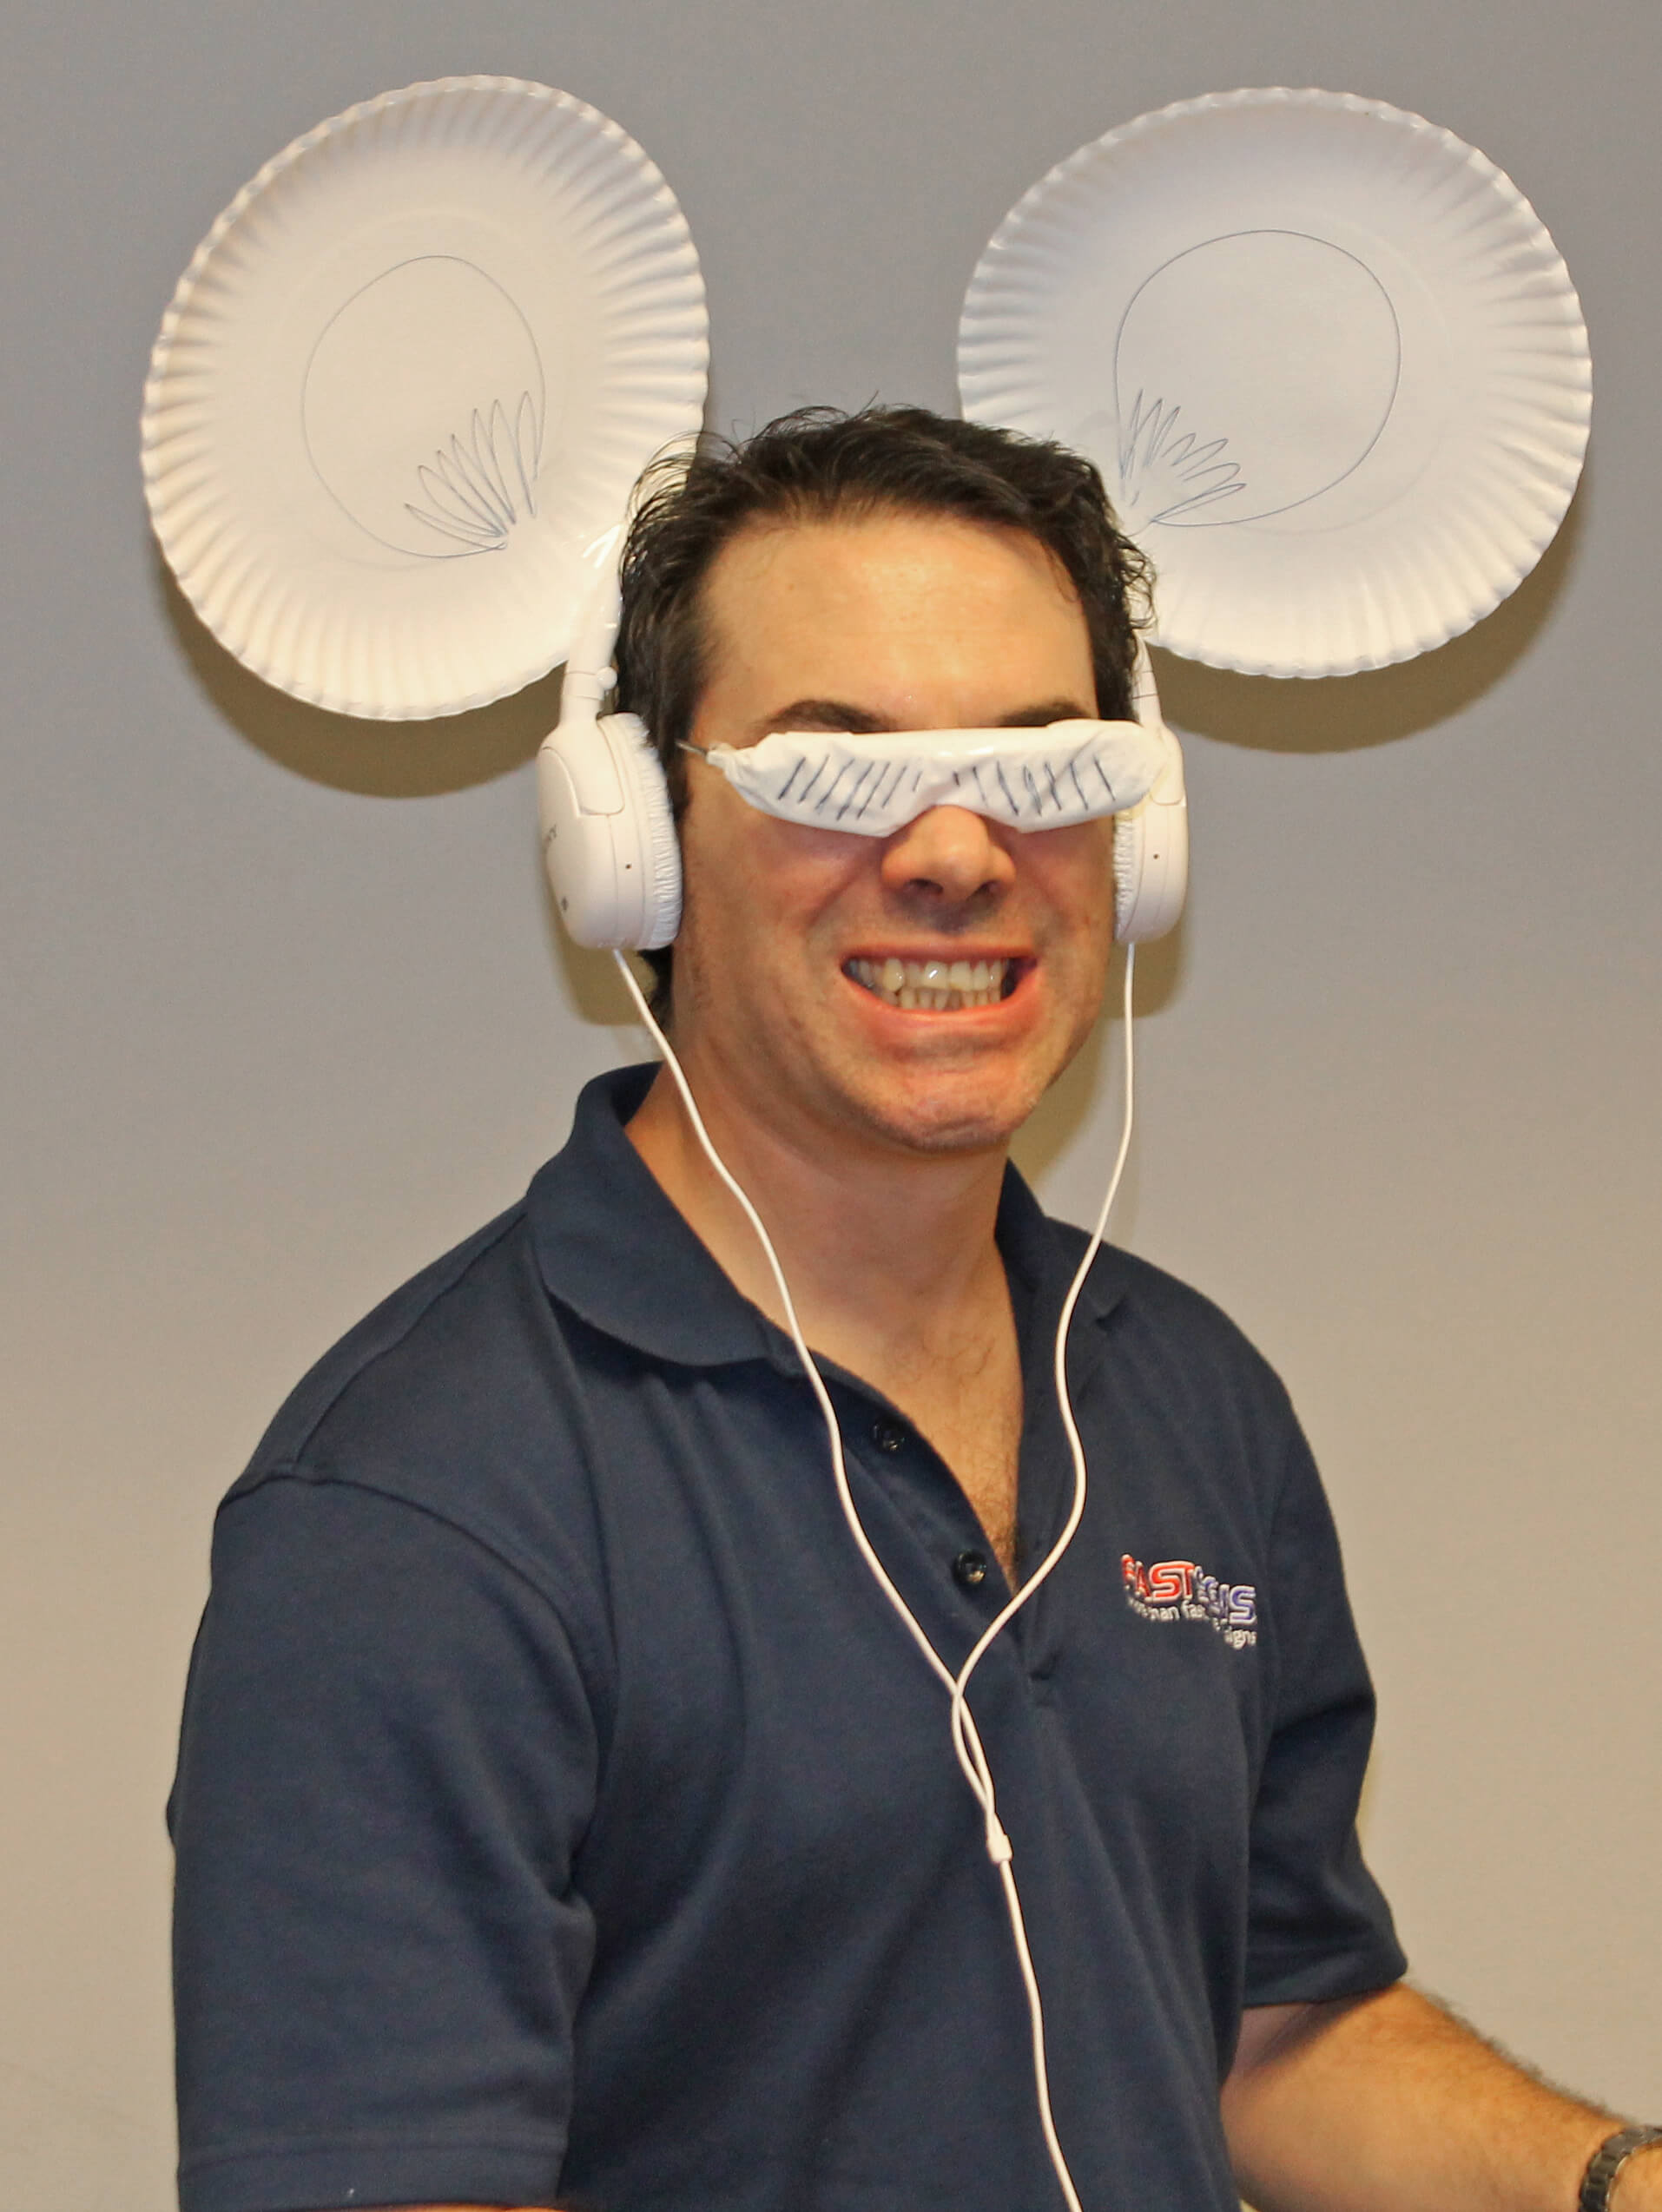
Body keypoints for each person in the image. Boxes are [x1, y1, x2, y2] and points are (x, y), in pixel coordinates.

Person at [168, 407, 1660, 2212]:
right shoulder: (416, 1516)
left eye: (1042, 768)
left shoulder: (1188, 1394)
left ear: (1140, 835)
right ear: (637, 842)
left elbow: (1279, 2027)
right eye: (834, 769)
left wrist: (1616, 2181)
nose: (957, 851)